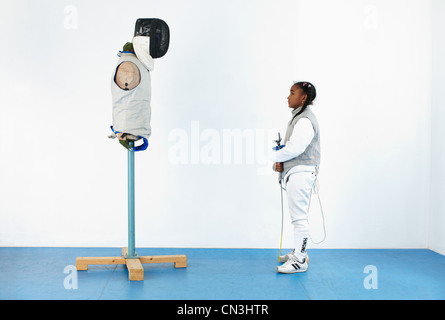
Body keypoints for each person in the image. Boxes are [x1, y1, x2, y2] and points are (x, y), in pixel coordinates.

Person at [270, 81, 320, 273]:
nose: (288, 96)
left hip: (302, 173)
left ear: (303, 98)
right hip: (296, 172)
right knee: (297, 217)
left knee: (299, 219)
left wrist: (274, 156)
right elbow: (291, 149)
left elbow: (295, 148)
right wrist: (280, 161)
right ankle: (299, 252)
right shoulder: (298, 117)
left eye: (292, 93)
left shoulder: (305, 120)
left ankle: (300, 260)